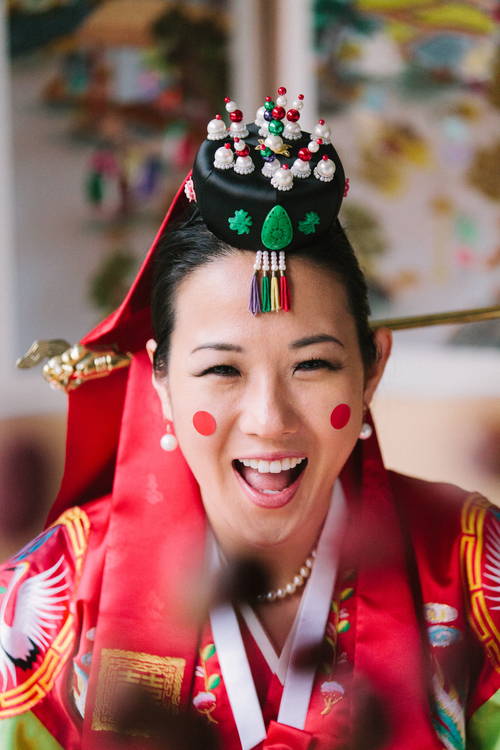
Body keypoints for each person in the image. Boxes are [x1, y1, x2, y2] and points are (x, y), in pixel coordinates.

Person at [1, 89, 499, 750]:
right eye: (222, 370)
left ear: (372, 367)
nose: (269, 420)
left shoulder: (469, 568)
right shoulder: (57, 596)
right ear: (162, 383)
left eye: (312, 366)